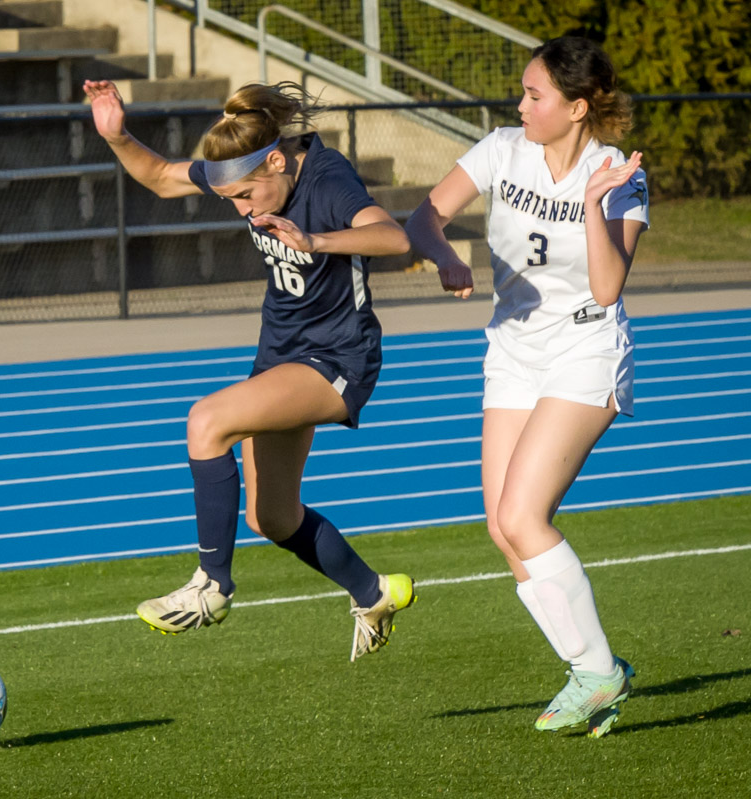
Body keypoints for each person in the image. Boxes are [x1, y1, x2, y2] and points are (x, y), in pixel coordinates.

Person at [83, 78, 416, 661]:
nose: (241, 210)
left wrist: (314, 239)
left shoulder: (327, 179)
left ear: (278, 161)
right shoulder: (252, 171)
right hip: (282, 355)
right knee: (273, 517)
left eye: (245, 195)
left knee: (207, 420)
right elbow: (161, 177)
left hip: (339, 357)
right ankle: (374, 591)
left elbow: (393, 237)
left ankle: (213, 584)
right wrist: (117, 136)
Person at [404, 36, 648, 736]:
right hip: (511, 351)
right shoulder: (502, 147)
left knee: (523, 515)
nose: (521, 104)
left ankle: (596, 673)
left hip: (585, 347)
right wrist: (446, 257)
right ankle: (597, 669)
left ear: (576, 108)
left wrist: (596, 207)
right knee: (503, 529)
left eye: (535, 95)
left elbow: (607, 287)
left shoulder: (619, 174)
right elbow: (425, 215)